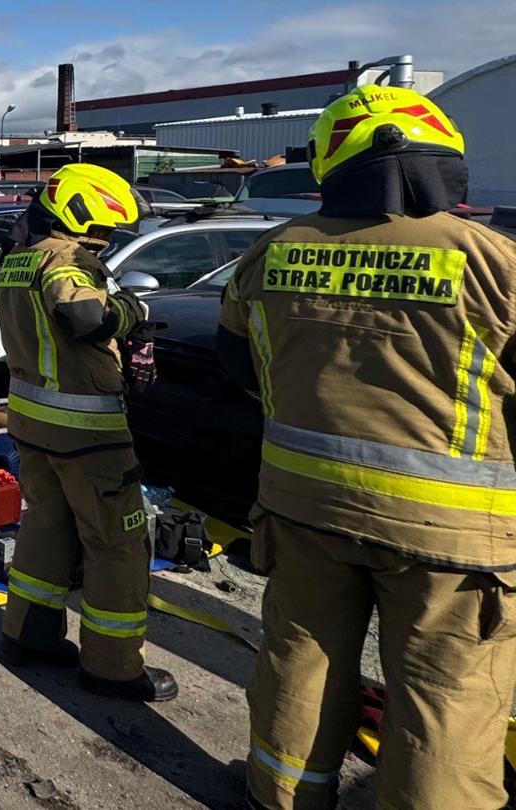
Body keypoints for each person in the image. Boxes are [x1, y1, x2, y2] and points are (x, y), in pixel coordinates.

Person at [217, 85, 516, 810]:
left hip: (301, 503)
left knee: (302, 658)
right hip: (453, 530)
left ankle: (280, 793)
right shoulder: (491, 260)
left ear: (330, 163)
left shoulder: (272, 253)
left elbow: (240, 367)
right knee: (448, 692)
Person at [0, 162, 170, 703]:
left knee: (46, 526)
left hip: (33, 421)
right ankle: (113, 667)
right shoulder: (67, 262)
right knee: (116, 543)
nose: (109, 239)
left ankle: (30, 634)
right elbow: (84, 319)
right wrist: (132, 311)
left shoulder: (18, 262)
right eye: (107, 230)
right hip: (88, 431)